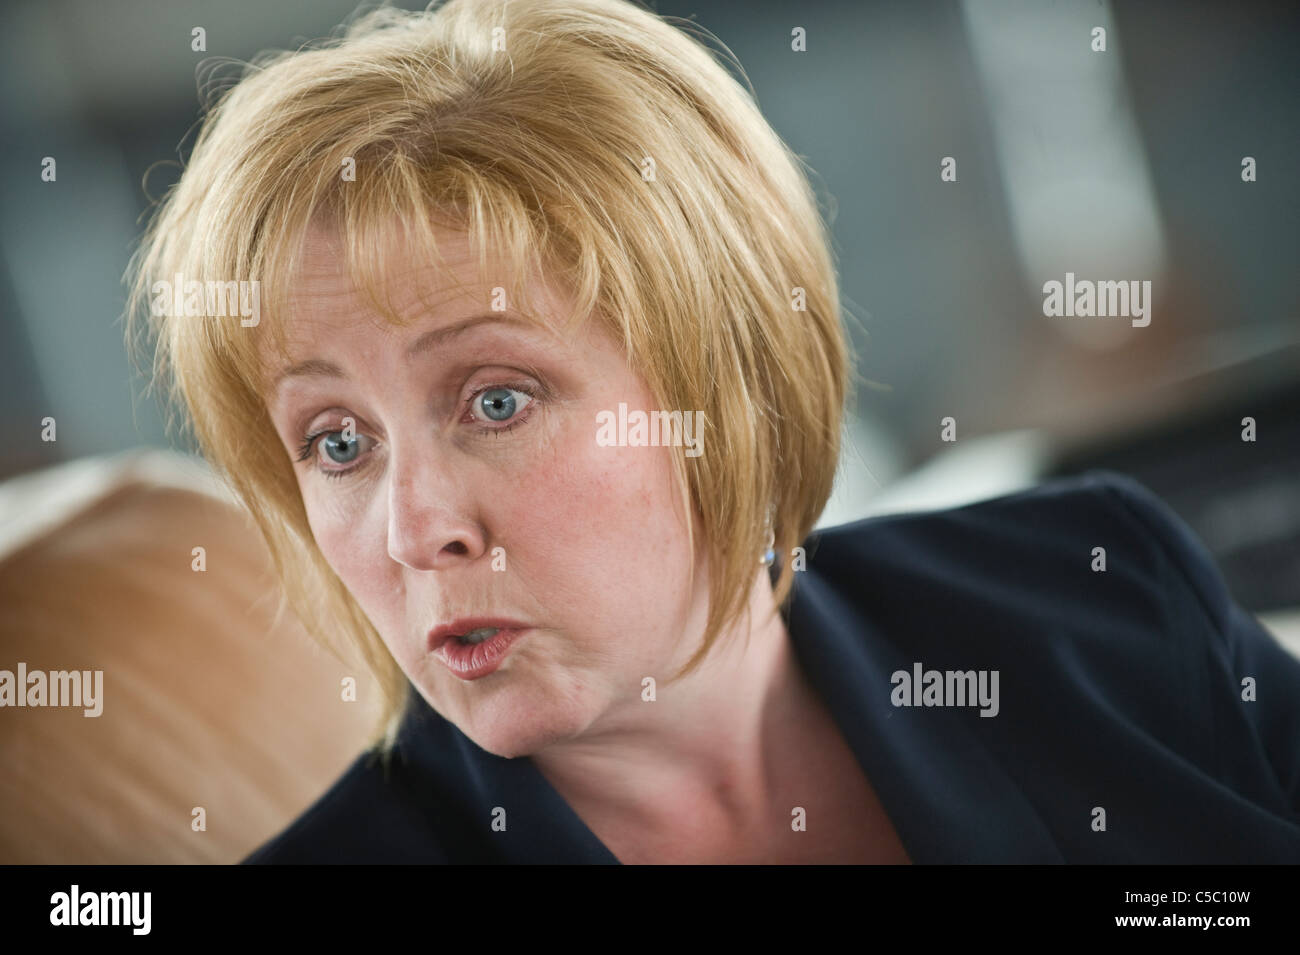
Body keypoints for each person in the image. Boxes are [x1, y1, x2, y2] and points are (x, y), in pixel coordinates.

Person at [125, 0, 1300, 864]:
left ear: (730, 374)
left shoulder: (1106, 598)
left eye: (496, 400)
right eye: (337, 441)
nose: (414, 527)